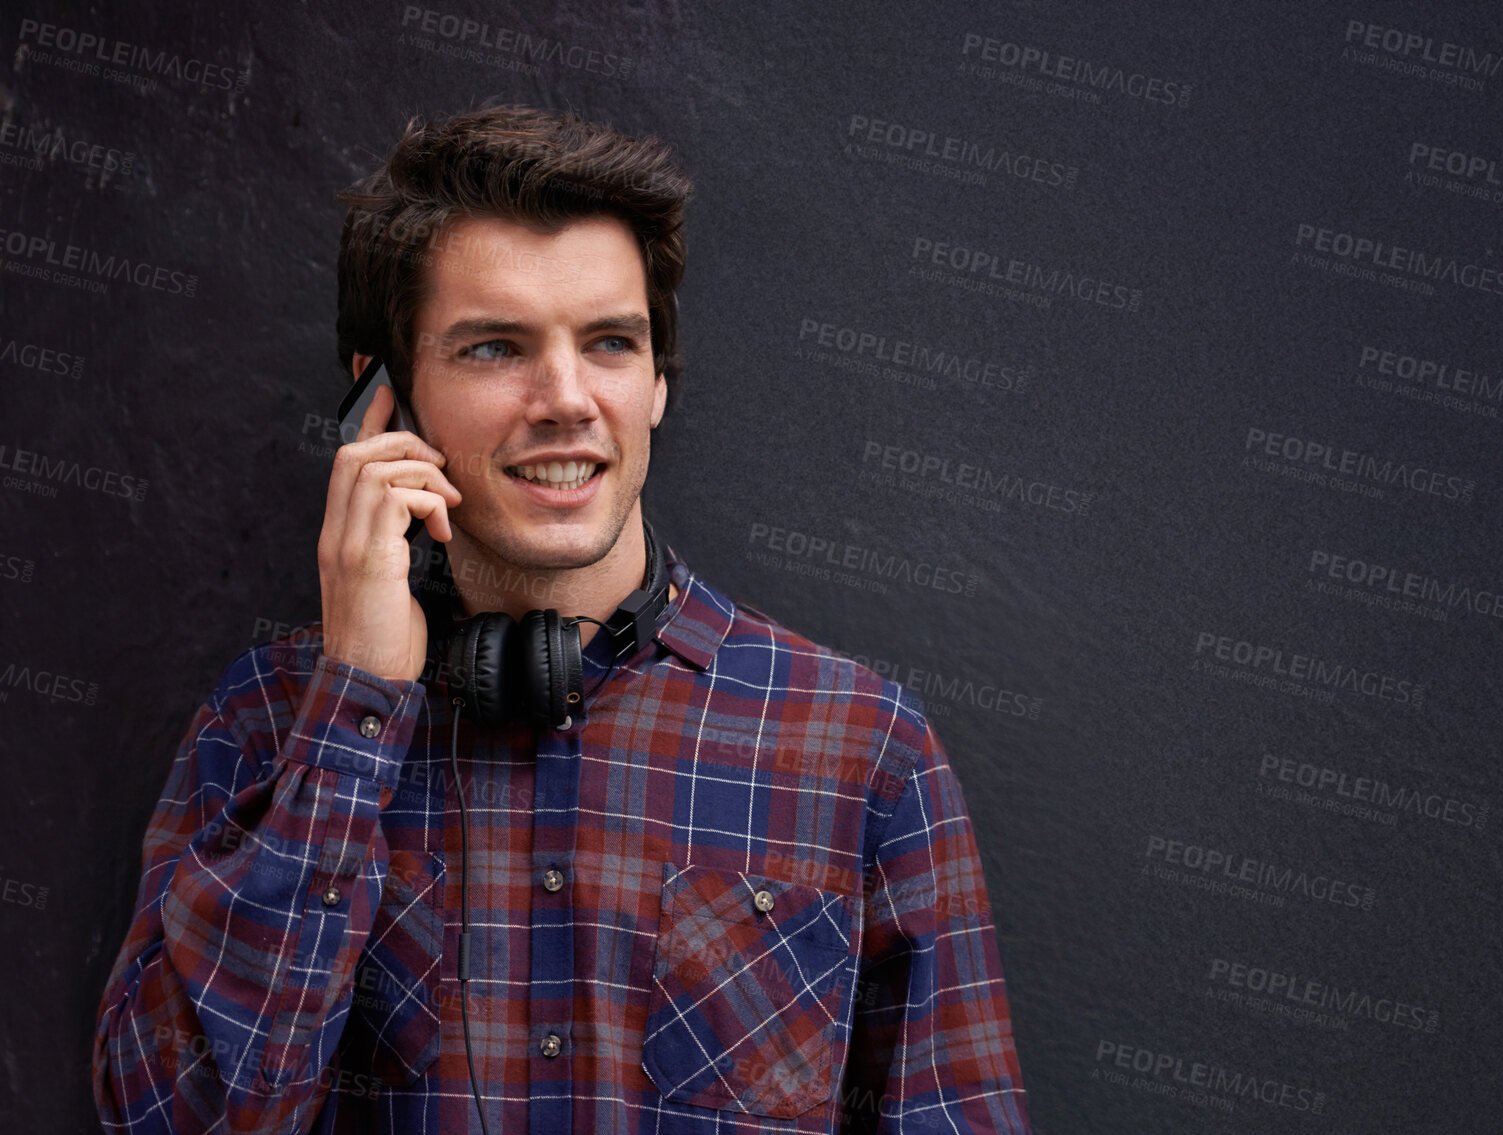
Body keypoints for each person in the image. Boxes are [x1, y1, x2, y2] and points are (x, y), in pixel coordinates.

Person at [90, 103, 1032, 1134]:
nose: (568, 398)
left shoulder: (860, 750)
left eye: (610, 343)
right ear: (386, 403)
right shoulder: (266, 722)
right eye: (496, 348)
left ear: (658, 384)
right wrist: (354, 714)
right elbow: (170, 1118)